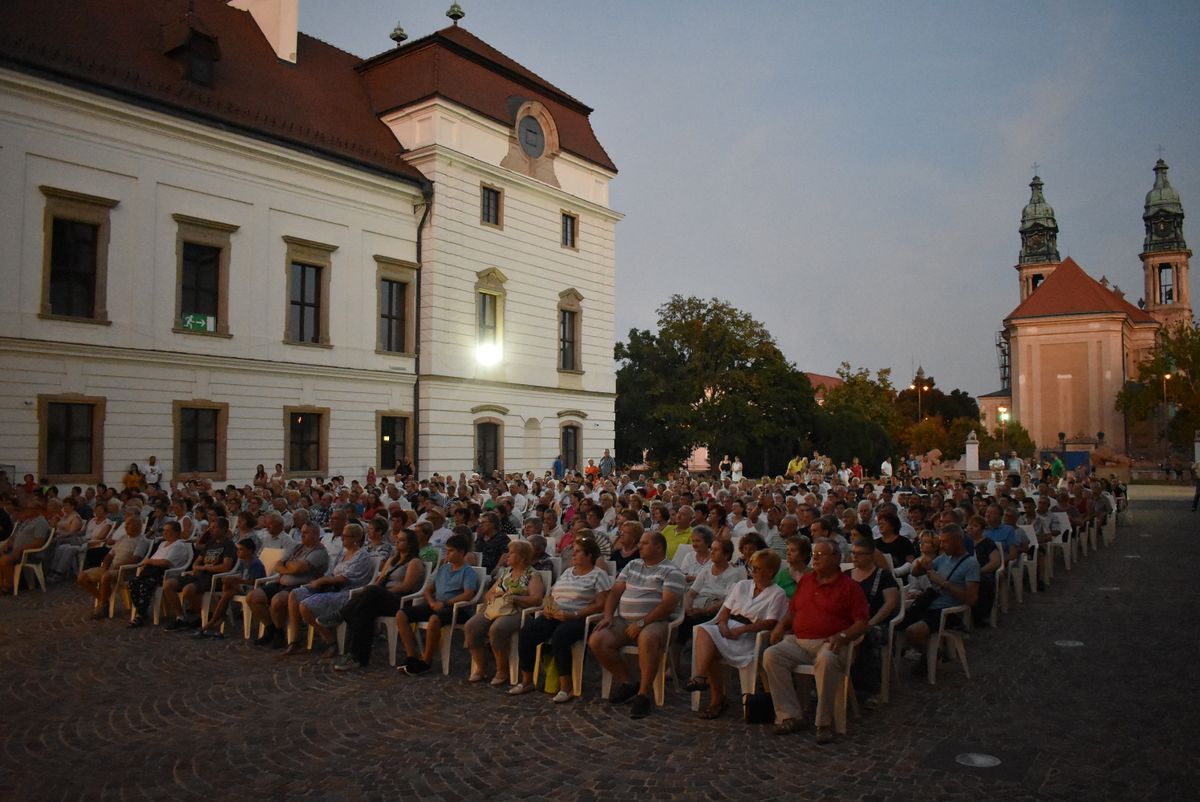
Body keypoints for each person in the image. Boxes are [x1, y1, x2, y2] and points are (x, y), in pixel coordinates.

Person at [762, 538, 869, 744]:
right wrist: (781, 625)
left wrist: (843, 635)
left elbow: (862, 623)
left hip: (831, 642)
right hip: (800, 641)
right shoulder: (807, 580)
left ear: (836, 558)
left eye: (821, 555)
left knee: (827, 660)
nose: (816, 558)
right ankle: (790, 715)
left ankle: (824, 722)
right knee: (771, 655)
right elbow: (793, 611)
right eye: (814, 554)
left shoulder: (850, 587)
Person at [587, 530, 685, 720]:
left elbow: (667, 605)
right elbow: (615, 592)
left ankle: (643, 694)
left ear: (658, 547)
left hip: (655, 621)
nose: (639, 546)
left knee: (648, 639)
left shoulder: (672, 571)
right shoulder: (632, 565)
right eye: (640, 543)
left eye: (644, 543)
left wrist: (641, 623)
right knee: (597, 640)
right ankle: (627, 682)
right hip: (623, 619)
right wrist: (607, 615)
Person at [687, 549, 787, 718]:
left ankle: (715, 698)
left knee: (710, 649)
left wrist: (742, 629)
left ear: (770, 571)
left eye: (757, 568)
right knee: (704, 630)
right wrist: (724, 624)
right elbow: (725, 609)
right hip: (729, 627)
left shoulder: (777, 593)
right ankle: (701, 678)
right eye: (752, 567)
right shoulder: (742, 585)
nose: (753, 571)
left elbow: (770, 622)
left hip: (751, 637)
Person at [512, 537, 612, 701]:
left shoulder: (598, 575)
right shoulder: (567, 572)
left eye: (578, 551)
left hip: (580, 617)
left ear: (589, 555)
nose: (573, 554)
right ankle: (527, 680)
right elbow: (552, 593)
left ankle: (566, 687)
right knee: (527, 633)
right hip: (555, 614)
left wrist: (574, 614)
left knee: (561, 637)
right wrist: (548, 607)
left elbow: (601, 604)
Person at [394, 533, 481, 675]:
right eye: (447, 550)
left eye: (451, 551)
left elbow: (468, 594)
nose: (448, 554)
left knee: (435, 619)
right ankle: (412, 655)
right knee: (401, 614)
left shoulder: (468, 572)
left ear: (461, 552)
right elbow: (428, 589)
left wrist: (446, 603)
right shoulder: (443, 569)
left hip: (456, 609)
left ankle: (426, 660)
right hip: (437, 604)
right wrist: (432, 602)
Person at [901, 524, 980, 676]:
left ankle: (931, 654)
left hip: (947, 610)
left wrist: (943, 583)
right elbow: (916, 573)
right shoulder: (943, 558)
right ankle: (930, 653)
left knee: (912, 631)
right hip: (929, 603)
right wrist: (920, 563)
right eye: (941, 541)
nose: (942, 545)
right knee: (897, 625)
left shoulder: (971, 564)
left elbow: (972, 598)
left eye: (945, 542)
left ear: (958, 541)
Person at [463, 540, 545, 686]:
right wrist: (495, 596)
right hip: (497, 608)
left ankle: (502, 670)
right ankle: (481, 667)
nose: (507, 555)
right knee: (471, 626)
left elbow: (536, 599)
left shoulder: (533, 574)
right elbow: (489, 593)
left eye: (512, 552)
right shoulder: (506, 573)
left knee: (497, 629)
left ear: (522, 557)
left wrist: (515, 597)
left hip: (518, 611)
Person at [290, 523, 374, 656]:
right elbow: (331, 572)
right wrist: (320, 581)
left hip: (347, 592)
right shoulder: (343, 554)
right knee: (295, 594)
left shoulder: (362, 556)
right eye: (343, 536)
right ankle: (296, 640)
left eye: (346, 536)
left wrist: (321, 581)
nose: (342, 538)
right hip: (330, 586)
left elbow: (345, 579)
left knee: (305, 606)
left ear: (356, 538)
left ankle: (330, 641)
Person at [248, 522, 330, 648]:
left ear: (316, 535)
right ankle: (271, 630)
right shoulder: (297, 547)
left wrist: (287, 566)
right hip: (280, 583)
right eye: (302, 532)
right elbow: (278, 564)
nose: (302, 535)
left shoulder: (320, 552)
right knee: (252, 597)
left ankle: (279, 634)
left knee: (277, 601)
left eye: (306, 533)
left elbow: (300, 568)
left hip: (300, 587)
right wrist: (289, 567)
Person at [846, 538, 899, 708]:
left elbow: (890, 603)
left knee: (867, 637)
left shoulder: (883, 576)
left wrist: (871, 622)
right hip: (848, 621)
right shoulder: (846, 575)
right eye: (853, 553)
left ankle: (871, 689)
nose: (855, 557)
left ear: (870, 555)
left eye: (859, 554)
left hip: (874, 622)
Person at [163, 517, 237, 630]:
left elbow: (225, 567)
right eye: (210, 527)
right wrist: (204, 567)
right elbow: (195, 564)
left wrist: (205, 568)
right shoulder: (210, 543)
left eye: (214, 528)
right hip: (200, 574)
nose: (210, 530)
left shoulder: (228, 545)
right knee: (169, 584)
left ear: (223, 530)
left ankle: (203, 615)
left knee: (188, 590)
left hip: (213, 578)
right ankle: (180, 617)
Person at [190, 537, 266, 638]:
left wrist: (236, 580)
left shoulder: (255, 563)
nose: (238, 552)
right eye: (238, 549)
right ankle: (216, 620)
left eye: (241, 549)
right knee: (227, 591)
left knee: (227, 585)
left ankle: (214, 621)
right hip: (243, 588)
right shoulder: (244, 562)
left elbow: (254, 582)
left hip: (253, 591)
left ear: (250, 551)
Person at [77, 511, 148, 616]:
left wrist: (119, 566)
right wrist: (105, 566)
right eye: (126, 524)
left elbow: (136, 559)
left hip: (125, 571)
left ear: (137, 526)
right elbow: (110, 555)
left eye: (129, 524)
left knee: (106, 576)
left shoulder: (142, 540)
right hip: (111, 569)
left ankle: (102, 607)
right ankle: (103, 601)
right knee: (82, 576)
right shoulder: (123, 538)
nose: (126, 526)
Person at [127, 521, 193, 627]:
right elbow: (155, 559)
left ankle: (140, 615)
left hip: (166, 573)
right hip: (153, 571)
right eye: (164, 530)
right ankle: (141, 612)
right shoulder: (162, 544)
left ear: (176, 533)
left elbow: (165, 562)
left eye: (168, 531)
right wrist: (148, 563)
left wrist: (148, 561)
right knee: (133, 583)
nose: (164, 533)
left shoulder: (178, 545)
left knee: (145, 584)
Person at [0, 496, 52, 593]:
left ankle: (8, 586)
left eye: (29, 509)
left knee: (4, 560)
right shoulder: (27, 520)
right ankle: (2, 583)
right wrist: (8, 542)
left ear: (37, 509)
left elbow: (38, 543)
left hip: (30, 554)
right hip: (16, 550)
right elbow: (15, 534)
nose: (26, 511)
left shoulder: (40, 522)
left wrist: (20, 549)